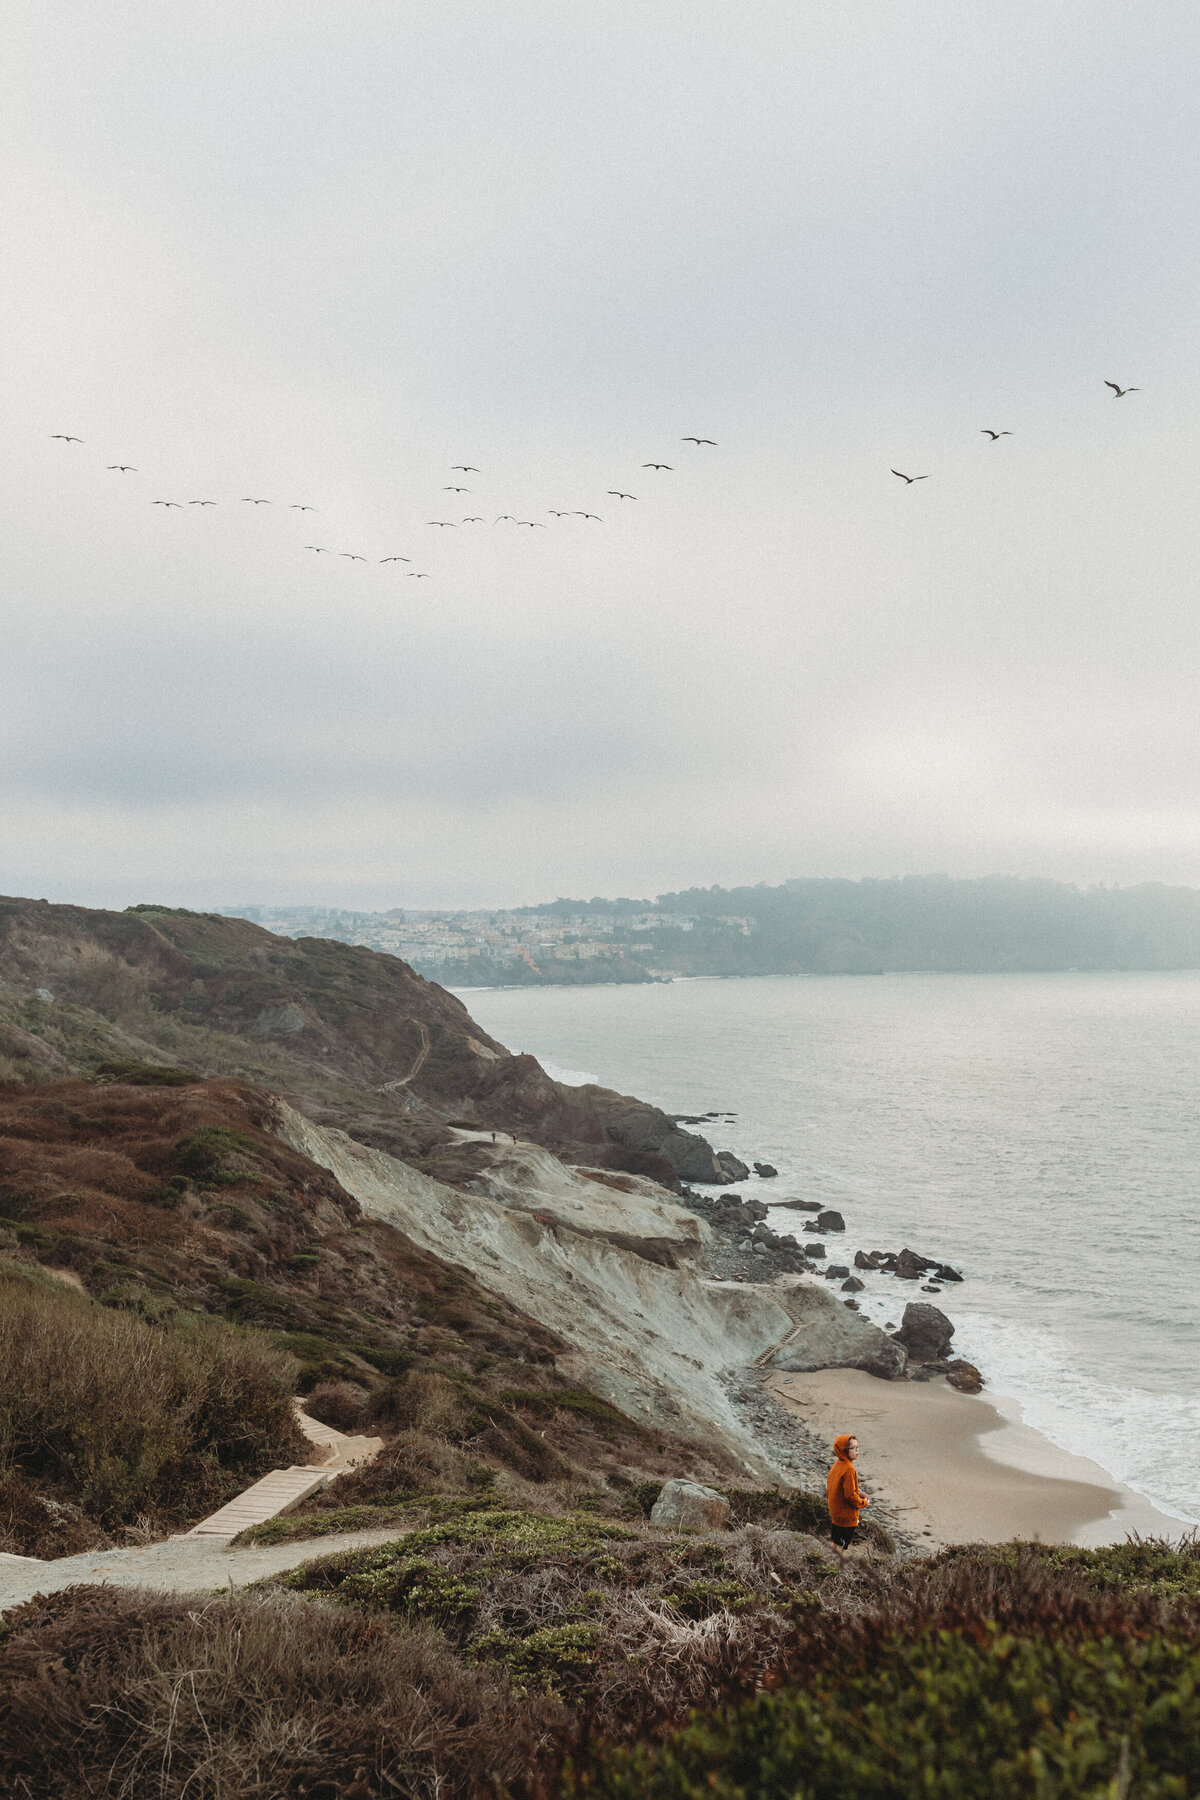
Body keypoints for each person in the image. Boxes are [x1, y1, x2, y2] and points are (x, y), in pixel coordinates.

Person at [826, 1432, 870, 1553]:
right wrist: (863, 1502)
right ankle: (834, 1570)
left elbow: (835, 1489)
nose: (857, 1450)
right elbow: (850, 1496)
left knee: (835, 1543)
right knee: (842, 1547)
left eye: (858, 1447)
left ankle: (827, 1567)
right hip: (846, 1517)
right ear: (845, 1450)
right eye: (853, 1448)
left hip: (836, 1514)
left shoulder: (837, 1466)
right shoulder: (849, 1469)